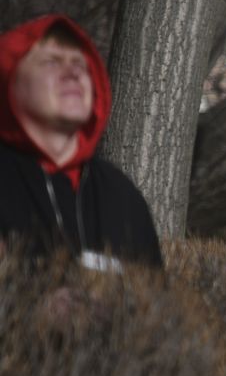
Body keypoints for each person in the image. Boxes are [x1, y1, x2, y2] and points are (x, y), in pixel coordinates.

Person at [0, 14, 161, 271]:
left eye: (80, 64)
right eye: (51, 62)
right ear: (10, 81)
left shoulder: (120, 193)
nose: (73, 72)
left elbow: (155, 299)